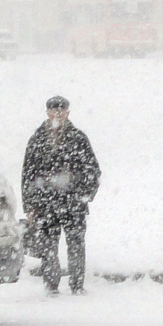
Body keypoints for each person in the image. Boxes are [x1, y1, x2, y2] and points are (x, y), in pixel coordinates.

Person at [20, 96, 101, 296]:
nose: (58, 114)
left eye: (61, 111)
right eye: (54, 111)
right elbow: (28, 175)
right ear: (47, 113)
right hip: (46, 205)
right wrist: (30, 206)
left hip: (73, 203)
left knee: (76, 244)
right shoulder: (37, 139)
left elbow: (92, 170)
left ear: (67, 113)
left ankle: (77, 285)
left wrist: (85, 195)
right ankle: (51, 286)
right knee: (48, 247)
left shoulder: (78, 138)